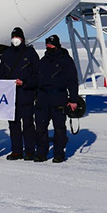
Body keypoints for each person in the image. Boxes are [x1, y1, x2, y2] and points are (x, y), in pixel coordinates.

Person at [35, 35, 79, 163]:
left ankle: (59, 153)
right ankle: (41, 153)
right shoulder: (43, 60)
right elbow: (37, 79)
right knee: (40, 127)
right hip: (43, 98)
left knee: (59, 128)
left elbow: (72, 81)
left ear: (57, 45)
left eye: (51, 44)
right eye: (47, 44)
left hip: (59, 97)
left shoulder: (66, 60)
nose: (49, 46)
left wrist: (73, 99)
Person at [0, 27, 40, 161]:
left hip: (26, 94)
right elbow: (1, 73)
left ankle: (30, 151)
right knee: (13, 124)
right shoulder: (6, 54)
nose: (15, 40)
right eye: (13, 37)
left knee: (28, 124)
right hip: (11, 95)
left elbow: (37, 74)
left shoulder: (30, 53)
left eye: (17, 37)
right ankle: (16, 151)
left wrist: (25, 83)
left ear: (22, 39)